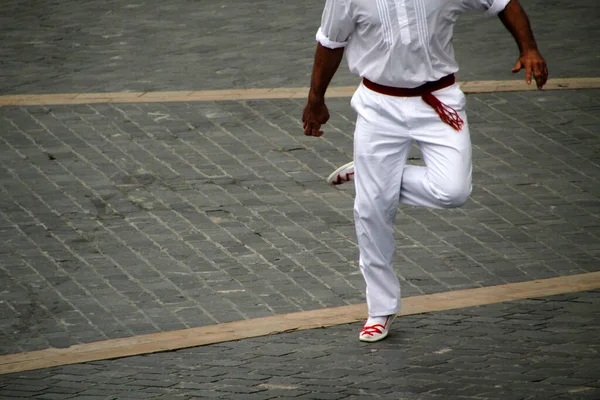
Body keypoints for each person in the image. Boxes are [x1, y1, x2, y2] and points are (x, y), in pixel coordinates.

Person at [302, 0, 547, 342]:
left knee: (453, 191)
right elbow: (330, 41)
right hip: (379, 105)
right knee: (372, 211)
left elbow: (504, 3)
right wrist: (316, 99)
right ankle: (380, 309)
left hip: (440, 99)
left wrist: (529, 48)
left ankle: (372, 173)